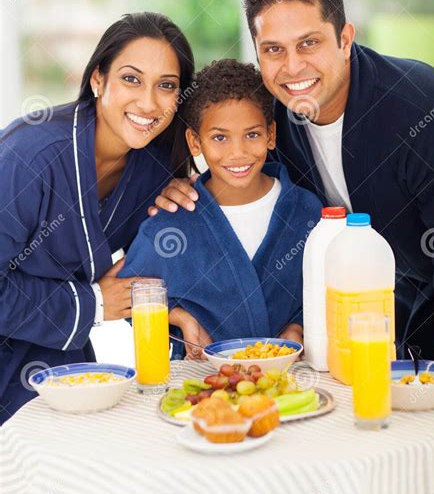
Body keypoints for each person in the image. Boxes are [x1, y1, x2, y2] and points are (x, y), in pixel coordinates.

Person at [153, 0, 434, 407]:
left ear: (345, 39)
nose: (292, 66)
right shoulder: (276, 122)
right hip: (400, 295)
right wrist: (190, 186)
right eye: (273, 49)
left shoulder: (427, 114)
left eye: (309, 43)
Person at [0, 11, 195, 422]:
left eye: (166, 86)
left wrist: (173, 317)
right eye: (131, 79)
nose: (148, 102)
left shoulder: (155, 169)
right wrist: (93, 303)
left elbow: (143, 274)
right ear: (97, 80)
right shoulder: (27, 159)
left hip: (61, 366)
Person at [119, 59, 323, 358]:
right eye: (219, 138)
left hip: (293, 384)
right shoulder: (169, 224)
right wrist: (180, 319)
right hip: (202, 390)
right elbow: (130, 298)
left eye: (252, 134)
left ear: (271, 135)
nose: (237, 153)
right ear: (195, 141)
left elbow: (329, 291)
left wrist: (298, 327)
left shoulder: (307, 211)